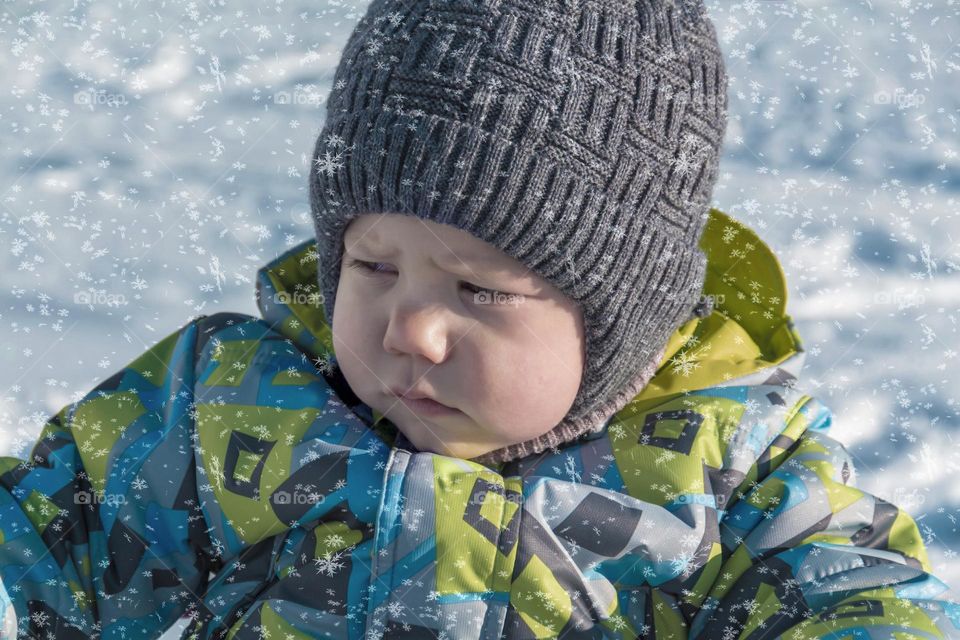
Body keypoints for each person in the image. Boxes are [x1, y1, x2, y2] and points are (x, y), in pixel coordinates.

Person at [2, 0, 959, 637]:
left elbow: (867, 603)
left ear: (619, 316)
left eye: (481, 292)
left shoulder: (733, 474)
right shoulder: (225, 403)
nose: (407, 329)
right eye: (373, 266)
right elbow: (35, 548)